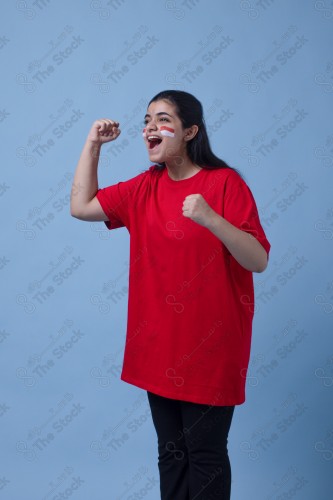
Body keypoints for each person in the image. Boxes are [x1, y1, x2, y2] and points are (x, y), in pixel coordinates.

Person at [70, 90, 271, 499]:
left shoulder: (224, 184)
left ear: (190, 131)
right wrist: (92, 144)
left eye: (161, 119)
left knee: (206, 453)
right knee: (172, 453)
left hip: (211, 349)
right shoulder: (144, 187)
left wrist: (211, 218)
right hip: (159, 347)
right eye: (146, 120)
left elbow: (257, 260)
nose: (149, 128)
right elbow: (82, 205)